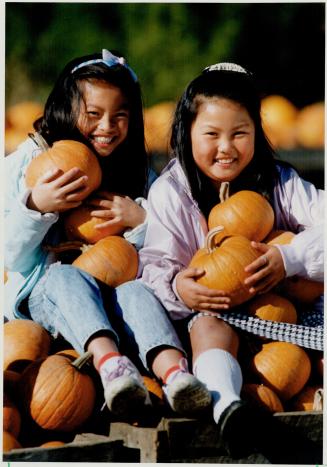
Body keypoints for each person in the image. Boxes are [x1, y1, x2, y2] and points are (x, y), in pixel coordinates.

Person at [4, 49, 211, 420]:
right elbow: (8, 253)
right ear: (68, 108)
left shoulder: (135, 173)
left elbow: (173, 246)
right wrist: (34, 206)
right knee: (65, 275)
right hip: (50, 301)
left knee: (137, 290)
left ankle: (175, 374)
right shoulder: (30, 162)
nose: (107, 126)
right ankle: (111, 365)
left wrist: (141, 219)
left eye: (120, 116)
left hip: (115, 297)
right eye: (94, 114)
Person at [136, 62, 324, 456]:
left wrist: (288, 258)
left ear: (257, 132)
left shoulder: (280, 181)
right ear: (186, 134)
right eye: (211, 134)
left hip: (284, 314)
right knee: (208, 327)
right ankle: (227, 407)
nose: (226, 147)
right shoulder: (171, 192)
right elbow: (154, 262)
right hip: (214, 314)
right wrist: (179, 288)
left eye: (240, 133)